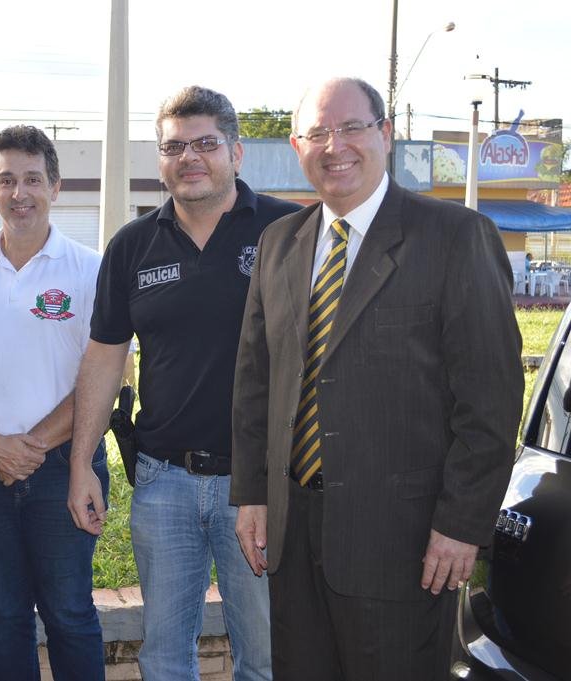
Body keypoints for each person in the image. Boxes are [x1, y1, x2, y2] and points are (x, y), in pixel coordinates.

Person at [231, 77, 523, 681]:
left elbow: (490, 401)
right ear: (296, 146)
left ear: (385, 134)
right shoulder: (278, 244)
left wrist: (461, 526)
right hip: (293, 536)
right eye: (317, 133)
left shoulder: (454, 237)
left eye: (351, 127)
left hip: (405, 545)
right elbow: (257, 383)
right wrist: (254, 494)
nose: (334, 145)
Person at [67, 85, 298, 681]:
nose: (189, 157)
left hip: (259, 485)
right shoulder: (132, 245)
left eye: (205, 144)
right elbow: (104, 357)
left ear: (236, 153)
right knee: (165, 659)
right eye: (174, 147)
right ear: (160, 160)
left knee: (266, 659)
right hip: (162, 481)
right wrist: (81, 462)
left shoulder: (289, 230)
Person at [0, 125, 108, 681]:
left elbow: (107, 375)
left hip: (66, 465)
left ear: (55, 187)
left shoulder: (91, 270)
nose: (20, 193)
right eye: (7, 180)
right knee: (4, 616)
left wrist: (27, 448)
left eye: (33, 179)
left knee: (70, 613)